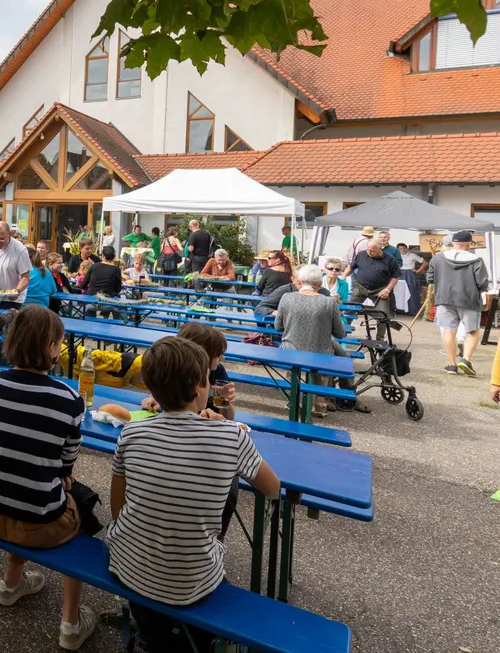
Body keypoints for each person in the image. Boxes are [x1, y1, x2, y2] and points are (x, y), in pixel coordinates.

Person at [108, 336, 279, 650]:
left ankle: (150, 636)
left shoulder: (131, 432)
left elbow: (117, 507)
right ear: (198, 388)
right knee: (199, 566)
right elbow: (273, 487)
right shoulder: (230, 436)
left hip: (126, 565)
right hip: (192, 582)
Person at [0, 306, 96, 651]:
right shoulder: (68, 399)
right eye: (60, 343)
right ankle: (71, 621)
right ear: (52, 349)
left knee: (20, 478)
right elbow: (66, 466)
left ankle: (11, 583)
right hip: (39, 523)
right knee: (83, 508)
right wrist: (60, 478)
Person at [276, 264, 356, 414]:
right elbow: (340, 333)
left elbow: (278, 327)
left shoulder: (286, 298)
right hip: (319, 353)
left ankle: (294, 401)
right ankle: (318, 403)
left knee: (300, 358)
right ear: (319, 284)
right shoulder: (328, 302)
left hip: (291, 352)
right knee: (329, 353)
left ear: (300, 281)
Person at [139, 322, 237, 417]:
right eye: (217, 354)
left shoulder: (217, 371)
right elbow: (163, 391)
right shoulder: (175, 371)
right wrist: (155, 398)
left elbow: (229, 417)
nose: (222, 358)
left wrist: (225, 400)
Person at [428, 230, 490, 376]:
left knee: (449, 331)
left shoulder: (437, 258)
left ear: (453, 243)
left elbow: (430, 278)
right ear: (468, 244)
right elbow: (482, 283)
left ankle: (451, 364)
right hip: (468, 299)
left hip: (444, 299)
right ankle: (466, 359)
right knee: (472, 331)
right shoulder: (476, 260)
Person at [345, 239, 400, 340]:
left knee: (383, 314)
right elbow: (351, 267)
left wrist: (387, 290)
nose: (369, 252)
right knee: (349, 309)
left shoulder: (390, 259)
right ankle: (342, 333)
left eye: (372, 251)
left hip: (380, 289)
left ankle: (380, 339)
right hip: (361, 287)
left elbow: (395, 276)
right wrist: (343, 276)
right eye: (368, 249)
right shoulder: (361, 255)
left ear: (380, 249)